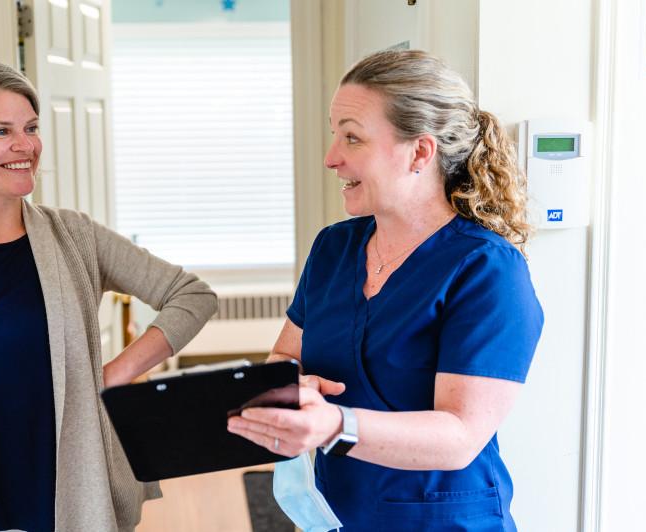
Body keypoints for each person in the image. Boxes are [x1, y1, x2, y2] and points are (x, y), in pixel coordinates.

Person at [0, 59, 218, 532]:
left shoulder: (75, 236)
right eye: (2, 131)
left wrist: (112, 374)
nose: (26, 145)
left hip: (69, 491)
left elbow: (192, 296)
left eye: (31, 127)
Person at [227, 49, 544, 531]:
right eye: (335, 135)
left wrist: (335, 424)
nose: (332, 158)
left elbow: (460, 435)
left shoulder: (487, 269)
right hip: (335, 513)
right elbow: (285, 357)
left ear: (420, 152)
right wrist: (289, 388)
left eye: (352, 137)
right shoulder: (334, 248)